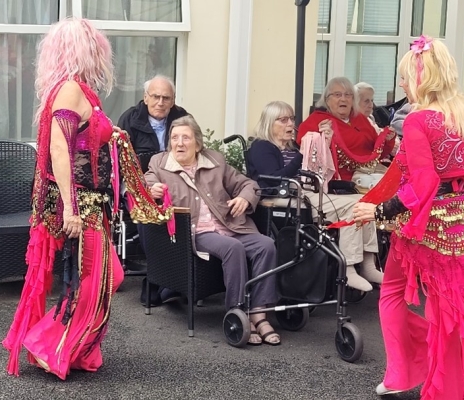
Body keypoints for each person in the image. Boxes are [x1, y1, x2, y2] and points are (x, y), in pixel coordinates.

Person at [352, 35, 464, 399]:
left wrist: (379, 209)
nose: (401, 84)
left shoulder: (418, 121)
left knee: (396, 293)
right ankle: (447, 375)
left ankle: (408, 373)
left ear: (422, 77)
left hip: (428, 227)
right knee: (458, 304)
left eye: (404, 76)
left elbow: (424, 181)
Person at [1, 18, 124, 380]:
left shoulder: (80, 91)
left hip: (90, 202)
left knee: (104, 277)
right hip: (80, 204)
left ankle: (68, 347)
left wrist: (108, 134)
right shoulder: (70, 89)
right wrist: (70, 207)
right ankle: (48, 346)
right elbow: (59, 147)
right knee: (97, 278)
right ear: (86, 50)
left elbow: (83, 139)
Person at [145, 115, 281, 346]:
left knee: (265, 245)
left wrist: (244, 199)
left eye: (185, 138)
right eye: (174, 138)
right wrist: (152, 190)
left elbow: (248, 184)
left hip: (231, 225)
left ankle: (258, 312)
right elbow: (141, 187)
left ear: (197, 143)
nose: (179, 143)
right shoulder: (159, 164)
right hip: (197, 232)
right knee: (233, 248)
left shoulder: (215, 161)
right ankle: (237, 312)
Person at [247, 101, 383, 292]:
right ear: (270, 123)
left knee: (365, 202)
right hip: (281, 198)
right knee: (355, 206)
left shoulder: (291, 147)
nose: (290, 124)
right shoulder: (262, 147)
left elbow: (313, 169)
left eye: (292, 119)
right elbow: (274, 180)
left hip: (304, 194)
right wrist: (302, 154)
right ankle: (349, 268)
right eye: (283, 120)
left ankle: (368, 265)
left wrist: (322, 145)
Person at [118, 74, 188, 305]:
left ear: (173, 100)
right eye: (155, 96)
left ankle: (179, 277)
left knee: (187, 212)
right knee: (149, 213)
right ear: (145, 97)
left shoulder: (183, 118)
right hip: (138, 183)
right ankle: (159, 279)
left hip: (174, 181)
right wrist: (145, 186)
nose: (160, 102)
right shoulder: (129, 119)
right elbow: (120, 160)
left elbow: (193, 152)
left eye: (166, 98)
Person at [296, 77, 396, 181]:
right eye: (337, 95)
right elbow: (306, 152)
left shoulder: (360, 118)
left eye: (348, 95)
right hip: (338, 183)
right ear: (327, 100)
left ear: (353, 100)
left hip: (369, 176)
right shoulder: (317, 120)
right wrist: (322, 141)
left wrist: (388, 140)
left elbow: (377, 154)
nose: (343, 99)